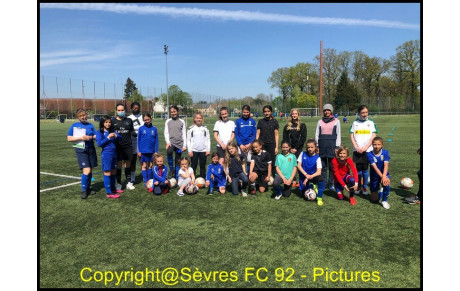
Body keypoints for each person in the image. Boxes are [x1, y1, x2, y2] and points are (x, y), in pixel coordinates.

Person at [67, 108, 98, 199]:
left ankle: (88, 188)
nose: (83, 117)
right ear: (78, 117)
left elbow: (95, 136)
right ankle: (83, 190)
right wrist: (81, 138)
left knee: (90, 170)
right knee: (87, 170)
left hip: (91, 149)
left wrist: (91, 137)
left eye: (84, 115)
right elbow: (69, 138)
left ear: (86, 115)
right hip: (81, 150)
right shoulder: (74, 126)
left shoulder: (90, 125)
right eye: (80, 116)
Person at [350, 105, 377, 195]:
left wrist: (365, 148)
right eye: (362, 112)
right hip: (357, 150)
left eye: (366, 112)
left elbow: (373, 136)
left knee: (365, 169)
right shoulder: (355, 123)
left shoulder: (371, 123)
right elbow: (352, 136)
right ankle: (358, 186)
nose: (364, 114)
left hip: (367, 150)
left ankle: (365, 187)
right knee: (358, 170)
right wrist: (356, 147)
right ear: (358, 113)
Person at [315, 103, 341, 191]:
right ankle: (323, 183)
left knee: (331, 166)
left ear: (331, 111)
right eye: (325, 110)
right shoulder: (320, 122)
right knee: (323, 167)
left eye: (328, 110)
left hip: (332, 146)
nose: (326, 112)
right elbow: (317, 135)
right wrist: (317, 146)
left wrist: (337, 147)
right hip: (322, 146)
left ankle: (331, 183)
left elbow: (338, 135)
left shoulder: (336, 121)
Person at [95, 115, 123, 198]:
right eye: (106, 122)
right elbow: (99, 144)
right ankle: (108, 192)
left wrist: (116, 135)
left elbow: (120, 138)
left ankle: (113, 188)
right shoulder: (99, 132)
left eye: (109, 122)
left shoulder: (112, 131)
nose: (108, 124)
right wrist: (108, 137)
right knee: (107, 172)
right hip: (106, 154)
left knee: (114, 171)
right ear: (102, 123)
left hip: (114, 154)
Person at [112, 103, 135, 191]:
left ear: (125, 110)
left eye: (122, 110)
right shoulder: (113, 121)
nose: (121, 112)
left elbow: (131, 130)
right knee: (119, 165)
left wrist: (133, 133)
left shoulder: (129, 120)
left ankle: (128, 182)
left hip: (128, 146)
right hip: (117, 146)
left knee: (127, 164)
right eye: (119, 110)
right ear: (116, 111)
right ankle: (118, 183)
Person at [297, 139, 325, 206]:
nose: (310, 149)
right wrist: (306, 175)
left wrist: (309, 177)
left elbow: (319, 172)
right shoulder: (302, 153)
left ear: (315, 147)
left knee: (321, 180)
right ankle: (311, 186)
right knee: (305, 196)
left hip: (313, 176)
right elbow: (299, 166)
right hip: (304, 177)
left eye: (312, 147)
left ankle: (319, 198)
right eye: (308, 147)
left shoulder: (317, 158)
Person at [367, 137, 391, 209]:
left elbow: (386, 165)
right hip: (374, 176)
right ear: (372, 145)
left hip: (384, 173)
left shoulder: (385, 152)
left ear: (382, 145)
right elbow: (375, 168)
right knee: (374, 200)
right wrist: (382, 177)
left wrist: (384, 176)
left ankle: (384, 201)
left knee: (386, 183)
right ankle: (381, 192)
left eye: (378, 144)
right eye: (374, 144)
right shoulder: (369, 154)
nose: (376, 146)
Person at [164, 105, 187, 180]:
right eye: (171, 112)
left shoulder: (182, 121)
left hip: (179, 143)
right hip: (171, 142)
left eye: (174, 111)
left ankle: (177, 175)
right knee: (169, 151)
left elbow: (184, 133)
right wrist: (168, 142)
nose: (173, 113)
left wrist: (184, 145)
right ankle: (171, 170)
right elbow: (166, 133)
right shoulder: (168, 121)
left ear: (177, 112)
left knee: (178, 159)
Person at [137, 113, 159, 188]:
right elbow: (138, 140)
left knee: (150, 165)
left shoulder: (154, 129)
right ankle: (145, 181)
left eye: (148, 119)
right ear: (143, 120)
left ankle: (150, 180)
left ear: (151, 119)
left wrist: (156, 151)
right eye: (145, 120)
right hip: (143, 151)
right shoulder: (141, 129)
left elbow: (156, 141)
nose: (147, 121)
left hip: (151, 151)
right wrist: (139, 151)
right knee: (144, 165)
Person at [187, 113, 211, 179]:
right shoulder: (191, 129)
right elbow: (188, 140)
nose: (198, 119)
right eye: (197, 118)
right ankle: (192, 179)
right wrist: (189, 150)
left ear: (202, 119)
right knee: (193, 165)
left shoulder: (205, 128)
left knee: (202, 166)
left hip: (203, 150)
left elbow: (208, 139)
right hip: (194, 150)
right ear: (194, 119)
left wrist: (208, 149)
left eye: (200, 118)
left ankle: (202, 178)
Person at [234, 105, 257, 172]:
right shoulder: (238, 121)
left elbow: (254, 134)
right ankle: (242, 177)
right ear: (242, 112)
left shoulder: (252, 121)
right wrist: (240, 144)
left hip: (249, 145)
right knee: (241, 161)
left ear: (249, 112)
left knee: (250, 161)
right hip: (240, 146)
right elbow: (236, 134)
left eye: (247, 112)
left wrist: (250, 144)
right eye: (244, 112)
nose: (246, 114)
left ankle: (249, 175)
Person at [127, 102, 144, 185]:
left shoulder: (142, 117)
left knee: (142, 159)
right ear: (131, 108)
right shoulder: (129, 118)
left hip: (142, 140)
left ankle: (145, 176)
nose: (136, 110)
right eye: (134, 108)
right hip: (132, 140)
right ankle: (132, 177)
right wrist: (131, 132)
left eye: (137, 108)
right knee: (133, 159)